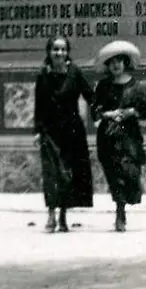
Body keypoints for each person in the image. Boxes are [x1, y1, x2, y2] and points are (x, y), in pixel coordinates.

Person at [91, 40, 146, 232]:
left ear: (125, 62)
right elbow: (95, 111)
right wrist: (110, 114)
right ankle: (119, 210)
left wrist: (131, 111)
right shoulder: (103, 86)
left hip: (130, 136)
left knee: (130, 171)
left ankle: (125, 202)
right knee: (114, 174)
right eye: (112, 62)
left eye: (119, 61)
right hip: (108, 136)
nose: (116, 65)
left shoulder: (135, 86)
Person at [33, 36, 94, 233]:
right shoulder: (43, 74)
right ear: (49, 52)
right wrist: (37, 131)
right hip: (50, 131)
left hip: (72, 131)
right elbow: (38, 105)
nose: (59, 53)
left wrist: (103, 110)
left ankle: (63, 217)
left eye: (62, 50)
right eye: (55, 49)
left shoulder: (74, 72)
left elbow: (89, 95)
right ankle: (51, 213)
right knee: (52, 173)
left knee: (67, 174)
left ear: (68, 52)